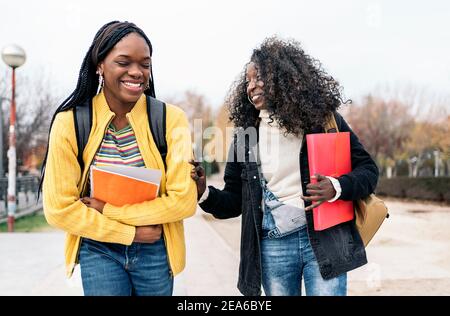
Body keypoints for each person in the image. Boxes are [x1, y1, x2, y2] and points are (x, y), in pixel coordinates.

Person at [191, 37, 379, 296]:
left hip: (324, 240)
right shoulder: (246, 136)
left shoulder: (321, 121)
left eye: (259, 78)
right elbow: (235, 201)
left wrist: (336, 187)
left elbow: (368, 170)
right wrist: (204, 192)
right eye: (248, 80)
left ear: (284, 78)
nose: (252, 86)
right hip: (274, 246)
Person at [41, 21, 197, 296]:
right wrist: (131, 233)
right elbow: (58, 208)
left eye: (145, 64)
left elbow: (183, 201)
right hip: (98, 248)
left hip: (156, 249)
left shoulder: (171, 119)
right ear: (100, 65)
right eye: (123, 62)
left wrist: (109, 210)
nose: (136, 72)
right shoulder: (70, 123)